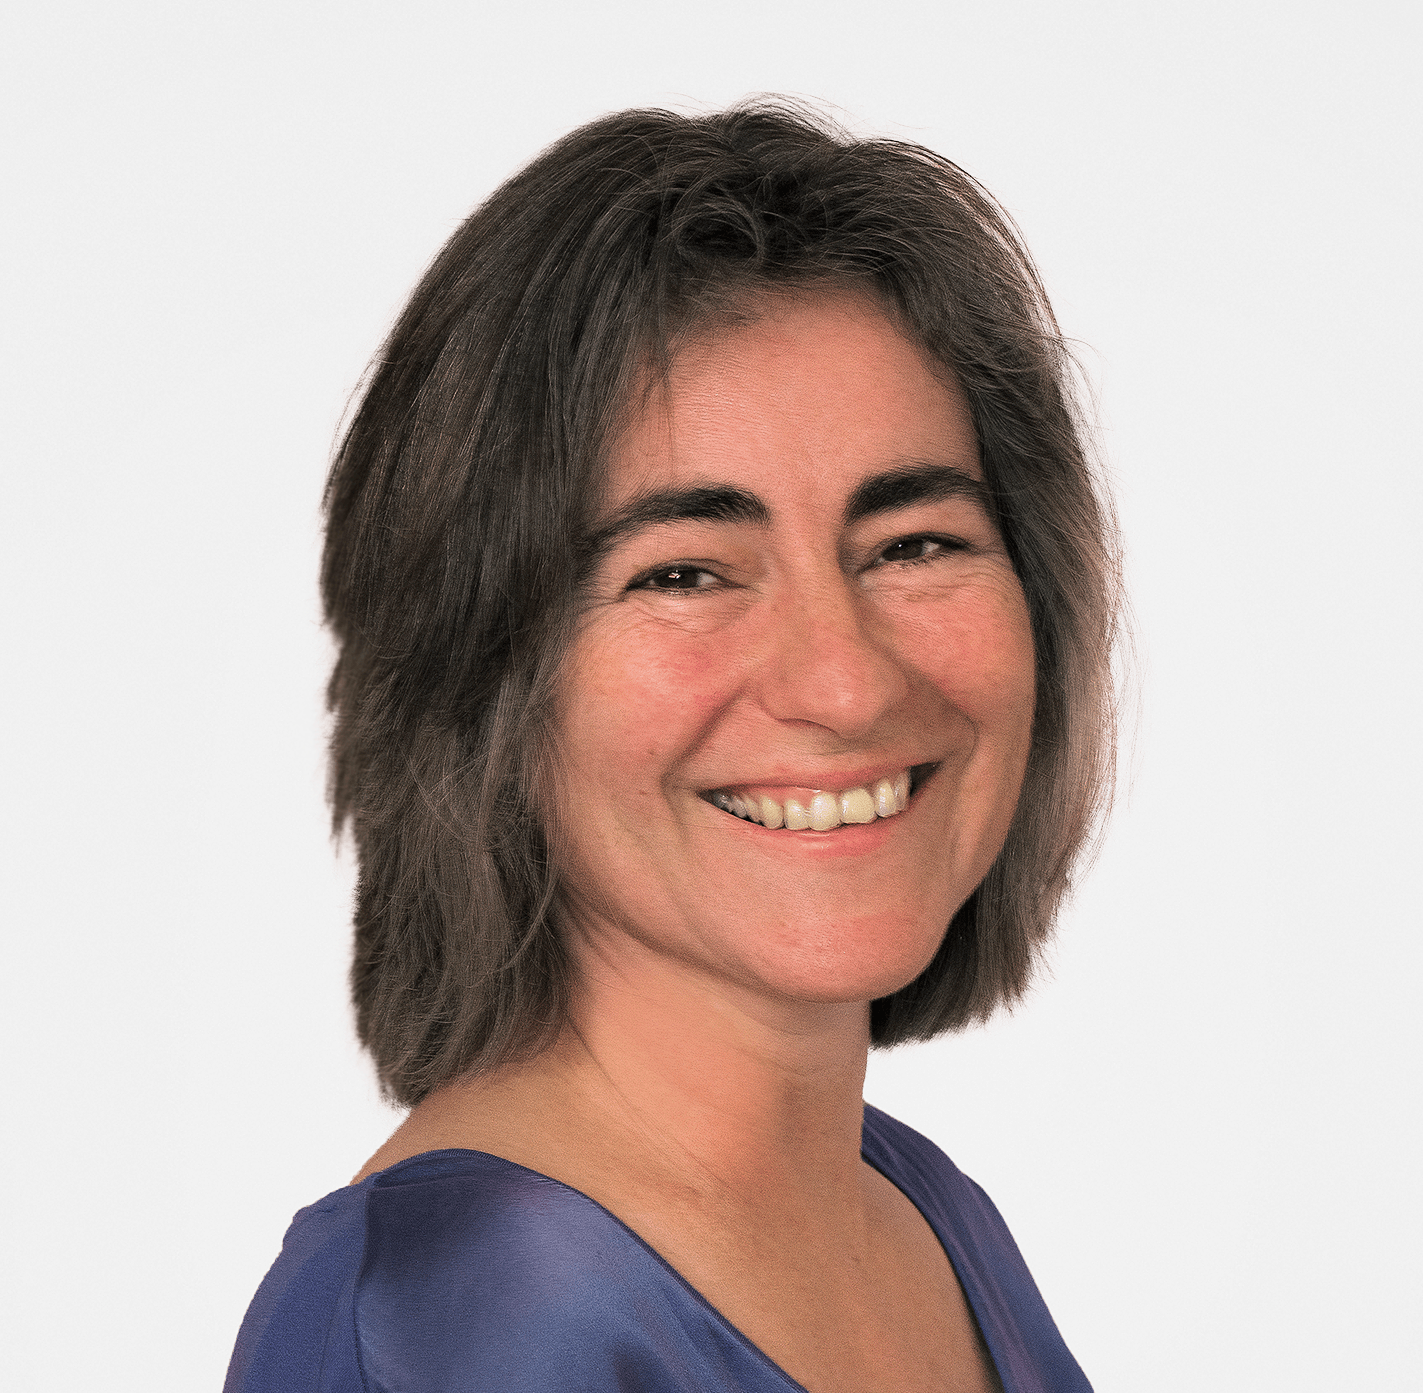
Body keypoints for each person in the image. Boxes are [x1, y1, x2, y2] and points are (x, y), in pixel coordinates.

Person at [225, 100, 1118, 1393]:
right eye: (686, 572)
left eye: (915, 544)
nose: (845, 682)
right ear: (483, 671)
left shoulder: (922, 1210)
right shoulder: (445, 1322)